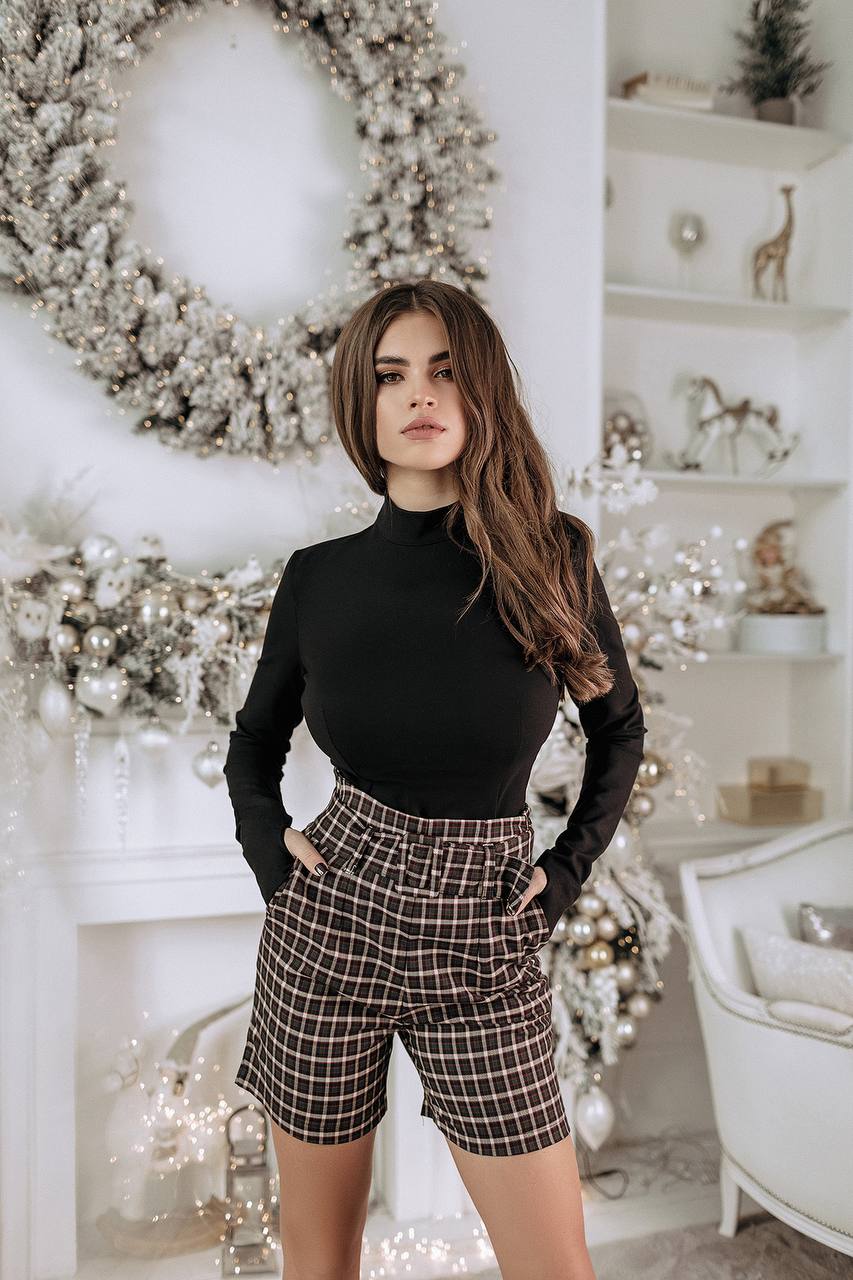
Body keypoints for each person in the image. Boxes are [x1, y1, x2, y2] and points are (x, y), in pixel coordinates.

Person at [224, 279, 646, 1280]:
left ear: (480, 388)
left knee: (556, 1266)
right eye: (391, 375)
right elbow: (253, 740)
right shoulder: (319, 578)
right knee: (317, 1261)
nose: (420, 394)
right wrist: (271, 858)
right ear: (361, 403)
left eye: (445, 370)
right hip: (329, 921)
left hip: (485, 929)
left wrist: (566, 871)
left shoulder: (551, 558)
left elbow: (619, 728)